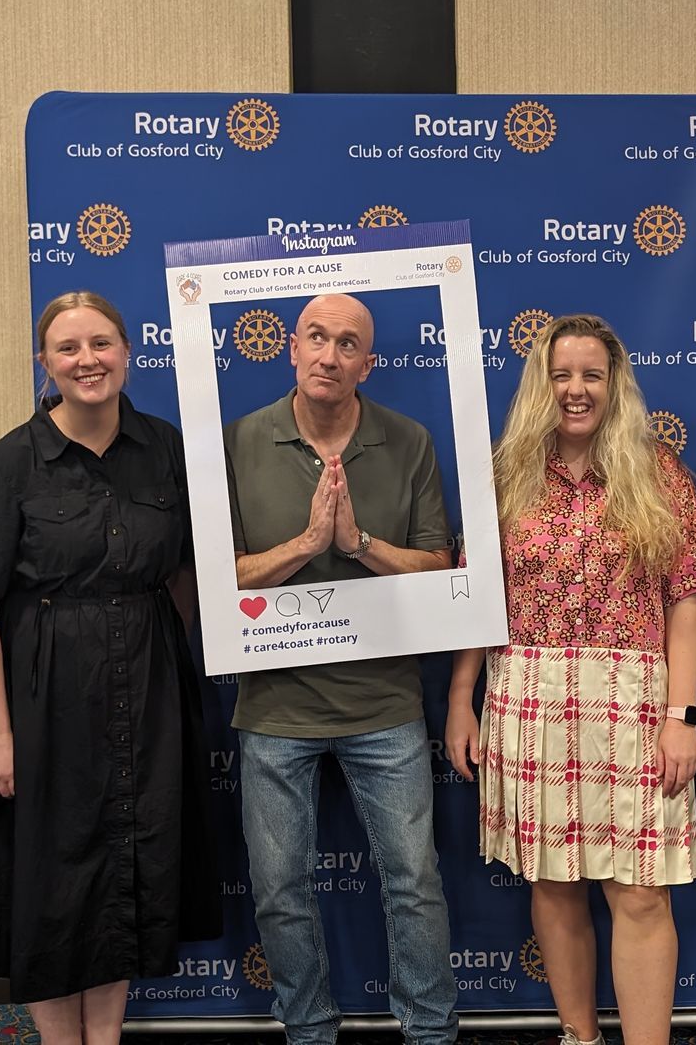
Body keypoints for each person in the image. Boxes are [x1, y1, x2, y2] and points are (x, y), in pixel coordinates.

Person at [0, 291, 218, 1045]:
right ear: (45, 365)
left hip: (149, 690)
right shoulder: (2, 466)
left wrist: (164, 656)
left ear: (129, 352)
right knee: (54, 878)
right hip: (42, 699)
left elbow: (187, 578)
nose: (87, 360)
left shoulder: (168, 450)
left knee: (128, 861)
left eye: (101, 344)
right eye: (68, 349)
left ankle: (108, 1037)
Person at [443, 313, 696, 1045]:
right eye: (560, 374)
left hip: (634, 702)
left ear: (614, 384)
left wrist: (681, 716)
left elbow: (685, 603)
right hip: (525, 694)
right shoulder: (503, 474)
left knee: (639, 894)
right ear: (541, 382)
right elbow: (476, 602)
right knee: (554, 882)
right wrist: (459, 701)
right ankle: (579, 1036)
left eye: (591, 375)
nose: (575, 389)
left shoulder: (660, 470)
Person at [223, 293, 459, 1045]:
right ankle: (308, 1031)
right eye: (317, 338)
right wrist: (305, 543)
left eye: (348, 343)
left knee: (414, 883)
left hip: (384, 702)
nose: (329, 355)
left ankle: (430, 1031)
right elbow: (215, 577)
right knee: (280, 891)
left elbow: (437, 566)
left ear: (368, 362)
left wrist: (357, 544)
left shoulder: (409, 440)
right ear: (291, 348)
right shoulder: (238, 441)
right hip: (274, 707)